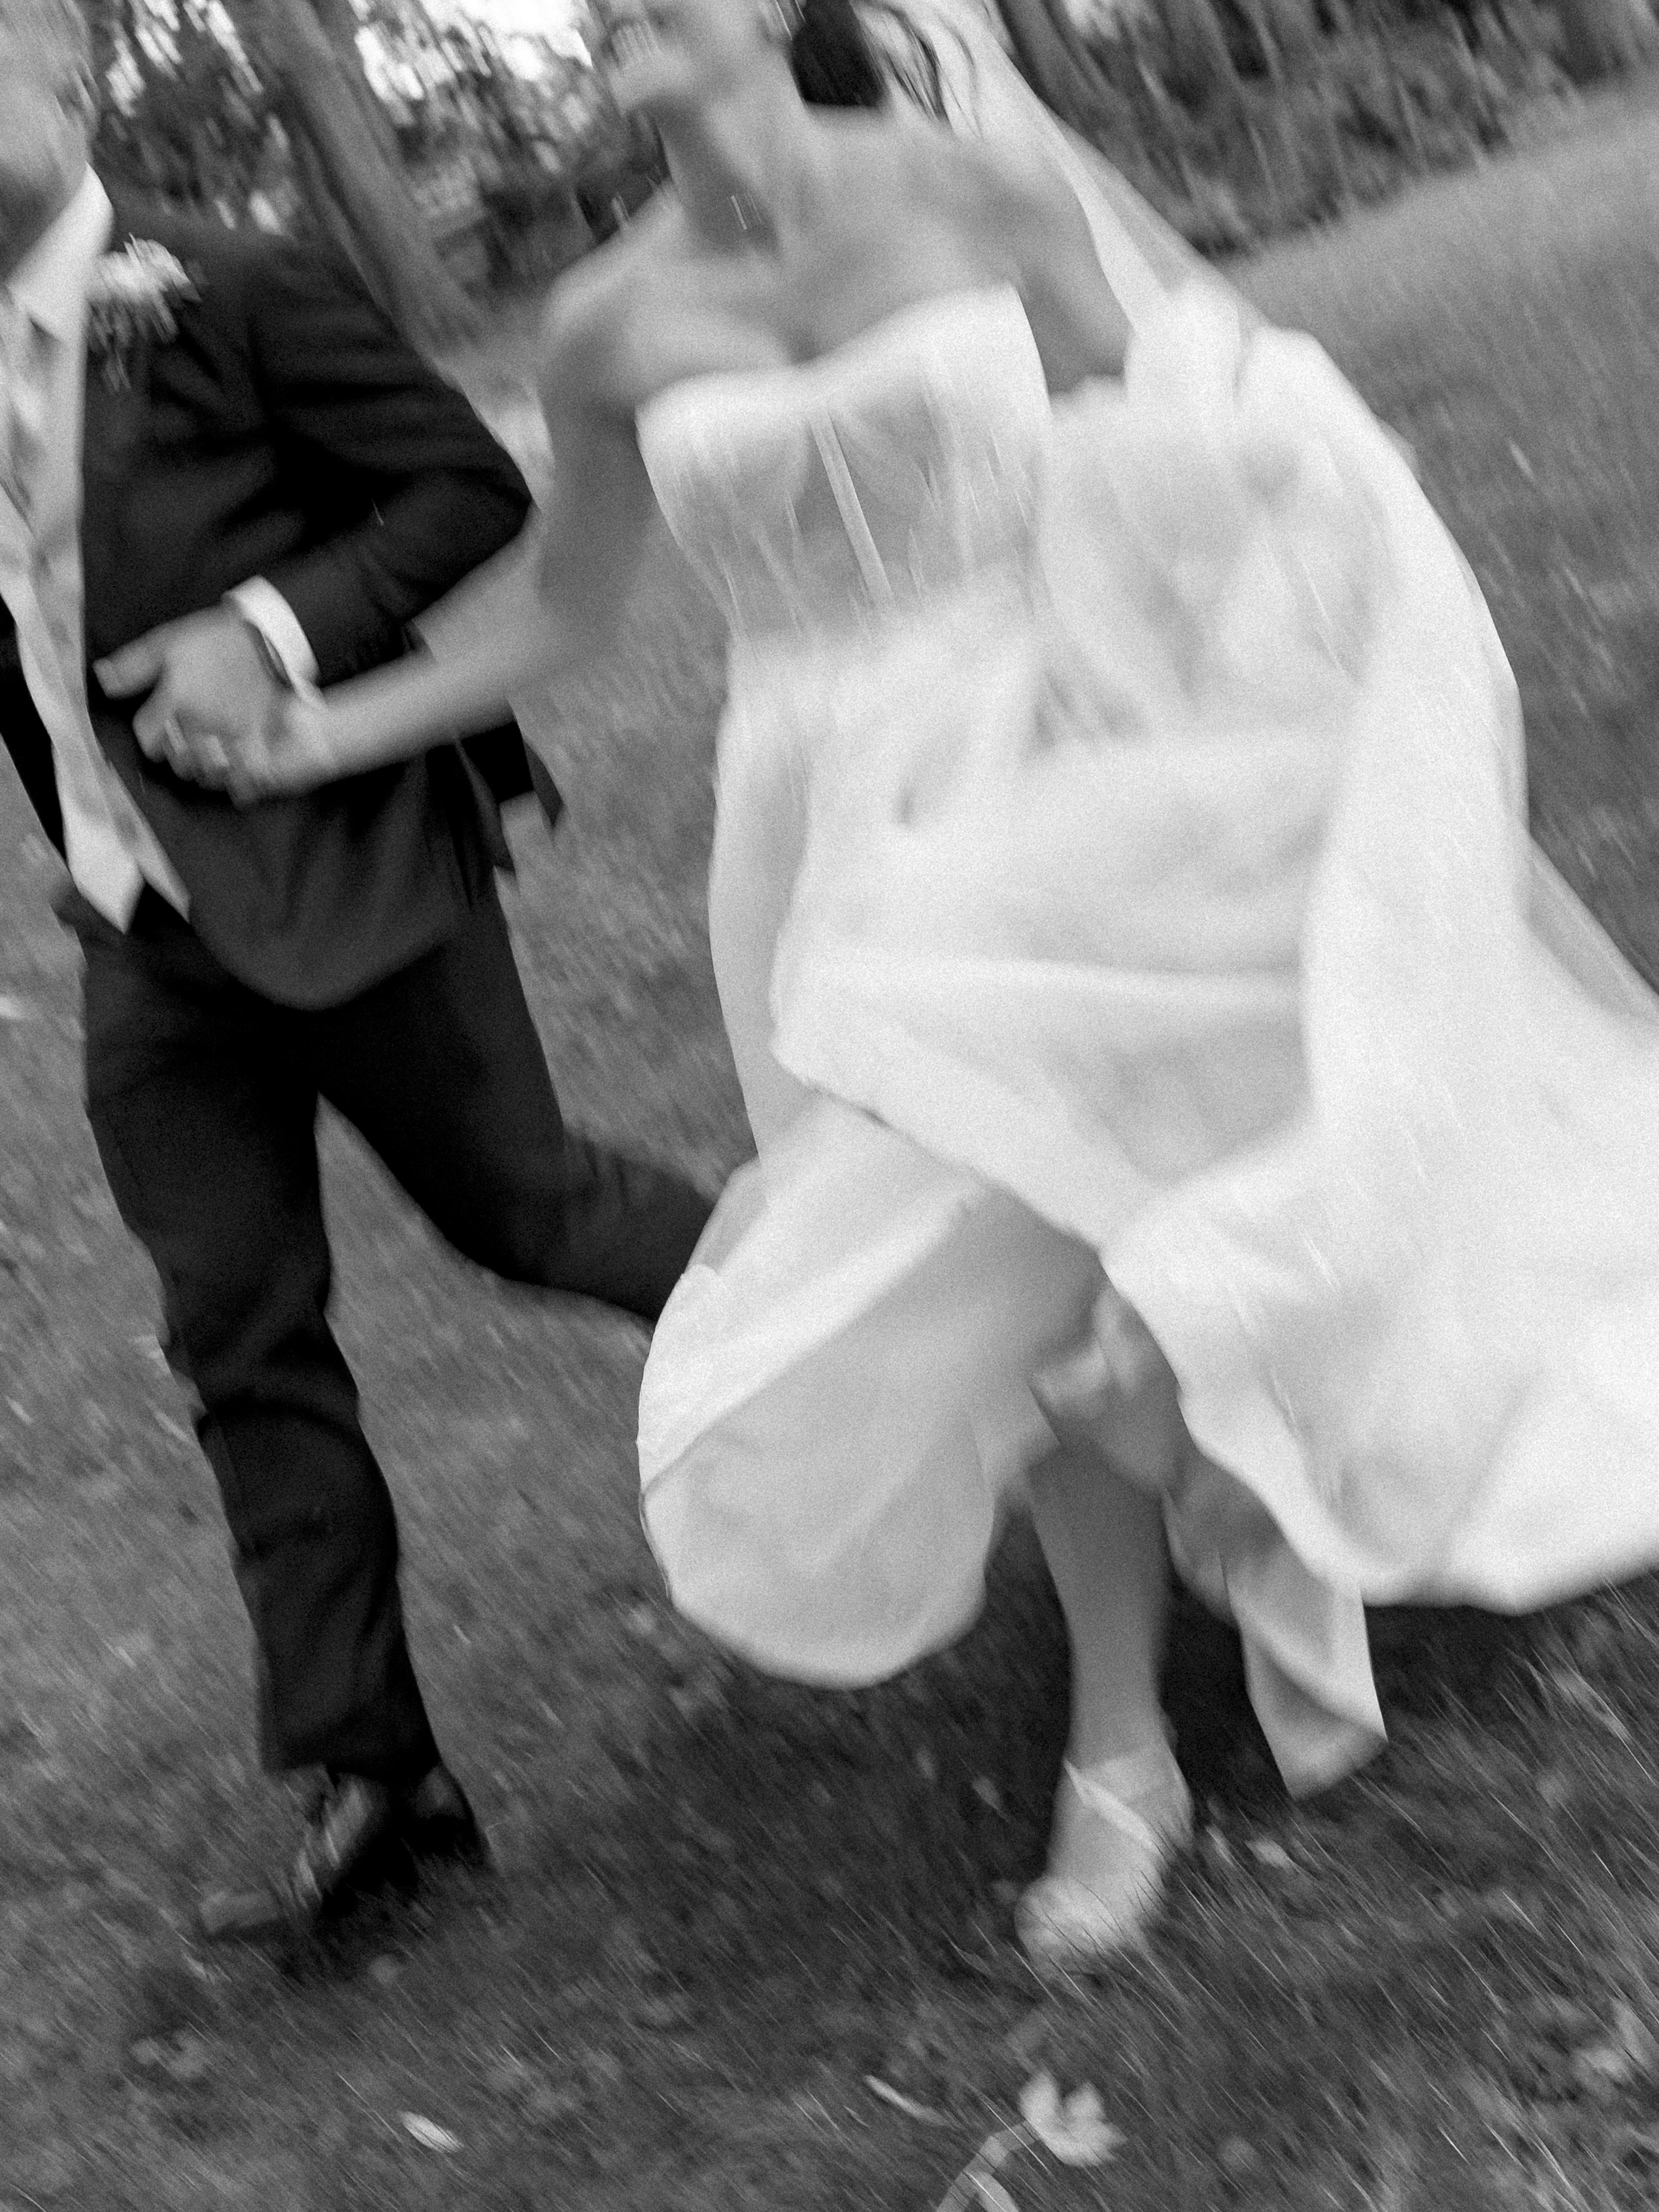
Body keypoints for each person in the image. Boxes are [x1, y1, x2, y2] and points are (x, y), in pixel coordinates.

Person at [172, 0, 1659, 1981]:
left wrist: (1304, 592)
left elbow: (1171, 434)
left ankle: (1160, 1564)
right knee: (971, 1251)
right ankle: (1123, 1745)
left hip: (1041, 747)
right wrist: (318, 732)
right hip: (809, 824)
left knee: (1061, 1206)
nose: (616, 13)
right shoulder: (605, 325)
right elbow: (569, 603)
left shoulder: (981, 186)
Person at [0, 0, 712, 1944]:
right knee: (237, 1331)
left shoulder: (225, 285)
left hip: (353, 869)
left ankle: (879, 1343)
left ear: (65, 80)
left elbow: (464, 494)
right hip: (141, 928)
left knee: (529, 1211)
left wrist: (266, 626)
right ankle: (373, 1773)